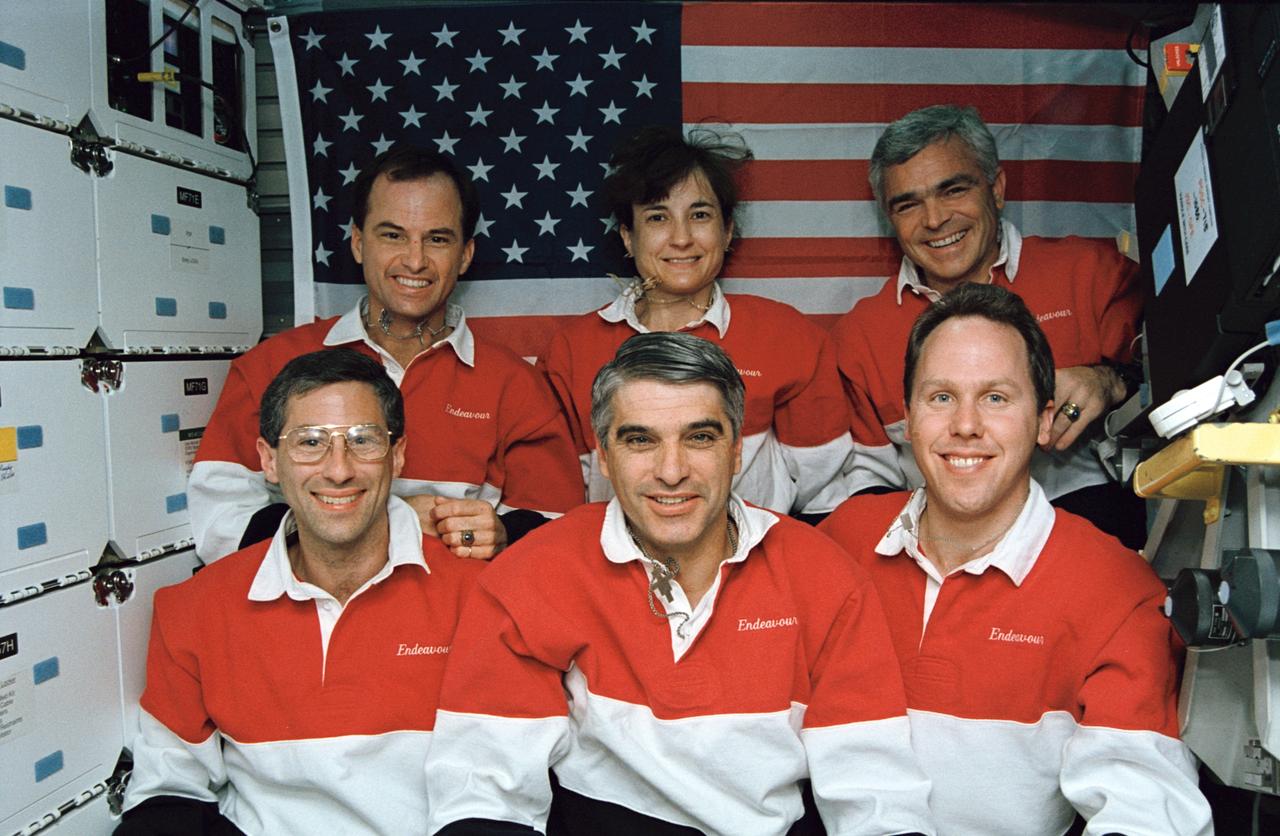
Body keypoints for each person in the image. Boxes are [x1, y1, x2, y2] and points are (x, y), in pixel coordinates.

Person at [426, 332, 934, 836]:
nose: (671, 471)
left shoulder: (825, 576)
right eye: (641, 440)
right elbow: (483, 795)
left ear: (735, 451)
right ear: (603, 456)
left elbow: (875, 796)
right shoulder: (529, 576)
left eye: (699, 437)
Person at [820, 284, 1211, 834]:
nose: (966, 425)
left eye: (996, 398)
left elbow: (1145, 808)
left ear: (1044, 420)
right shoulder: (840, 543)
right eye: (940, 397)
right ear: (908, 417)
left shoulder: (1119, 590)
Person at [118, 349, 484, 835]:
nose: (338, 470)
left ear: (397, 455)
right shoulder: (192, 609)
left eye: (363, 441)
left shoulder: (481, 599)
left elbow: (499, 794)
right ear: (269, 460)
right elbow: (168, 791)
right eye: (309, 442)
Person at [189, 146, 582, 563]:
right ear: (358, 242)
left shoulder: (514, 384)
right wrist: (376, 522)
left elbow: (561, 531)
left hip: (461, 618)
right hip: (308, 617)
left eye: (437, 239)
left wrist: (503, 534)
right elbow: (217, 523)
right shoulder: (270, 365)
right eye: (392, 235)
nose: (414, 260)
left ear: (465, 255)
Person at [831, 105, 1145, 547]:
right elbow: (868, 483)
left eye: (953, 190)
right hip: (938, 548)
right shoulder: (860, 334)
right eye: (908, 205)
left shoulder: (1091, 273)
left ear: (995, 189)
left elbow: (1192, 383)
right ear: (889, 218)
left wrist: (1110, 380)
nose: (935, 219)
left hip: (1092, 524)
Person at [541, 126, 852, 521]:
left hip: (755, 568)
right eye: (658, 217)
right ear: (627, 238)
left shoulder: (788, 336)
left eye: (700, 215)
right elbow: (557, 508)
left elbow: (826, 501)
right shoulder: (570, 352)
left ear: (727, 232)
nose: (682, 238)